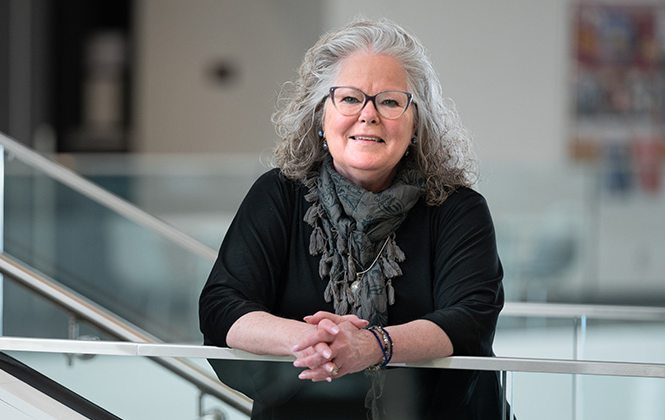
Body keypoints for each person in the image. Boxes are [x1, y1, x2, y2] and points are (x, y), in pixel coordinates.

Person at [199, 17, 506, 419]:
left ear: (416, 124)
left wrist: (371, 346)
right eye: (349, 98)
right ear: (320, 115)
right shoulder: (278, 194)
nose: (369, 115)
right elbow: (222, 307)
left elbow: (470, 318)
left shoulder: (457, 208)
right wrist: (317, 340)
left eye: (391, 101)